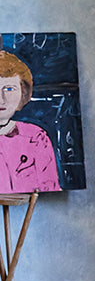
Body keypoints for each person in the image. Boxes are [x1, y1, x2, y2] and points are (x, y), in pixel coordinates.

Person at [0, 51, 61, 193]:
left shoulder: (36, 137)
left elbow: (50, 185)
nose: (1, 99)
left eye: (9, 89)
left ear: (23, 93)